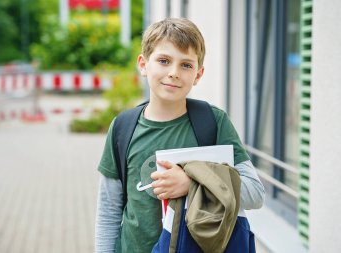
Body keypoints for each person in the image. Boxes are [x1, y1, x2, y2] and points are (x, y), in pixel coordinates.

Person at [95, 18, 265, 253]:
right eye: (164, 61)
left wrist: (193, 184)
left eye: (186, 65)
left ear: (198, 74)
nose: (174, 73)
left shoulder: (212, 123)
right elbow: (109, 211)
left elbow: (255, 193)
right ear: (143, 65)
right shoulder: (123, 127)